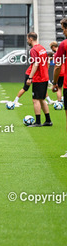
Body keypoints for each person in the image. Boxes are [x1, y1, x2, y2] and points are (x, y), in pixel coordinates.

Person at [26, 32, 51, 127]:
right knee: (42, 99)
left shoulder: (33, 50)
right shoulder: (42, 48)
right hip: (44, 77)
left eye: (27, 39)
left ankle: (38, 122)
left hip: (38, 78)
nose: (27, 41)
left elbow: (35, 64)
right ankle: (48, 120)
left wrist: (30, 77)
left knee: (35, 100)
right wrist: (45, 71)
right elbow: (47, 61)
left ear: (31, 39)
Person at [51, 18, 67, 157]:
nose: (63, 32)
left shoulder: (64, 44)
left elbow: (57, 66)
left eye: (63, 29)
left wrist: (55, 83)